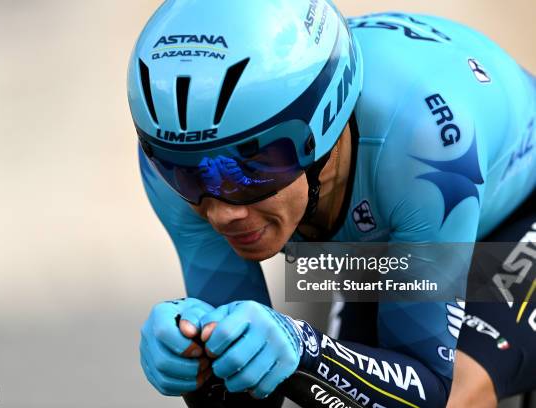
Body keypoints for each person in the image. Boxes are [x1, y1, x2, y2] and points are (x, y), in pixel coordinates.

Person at [128, 0, 536, 407]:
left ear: (322, 128)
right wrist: (199, 358)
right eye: (185, 174)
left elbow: (427, 394)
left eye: (249, 171)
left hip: (514, 206)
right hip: (395, 233)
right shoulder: (177, 164)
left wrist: (305, 350)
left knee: (457, 395)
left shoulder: (423, 145)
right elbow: (247, 396)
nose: (221, 212)